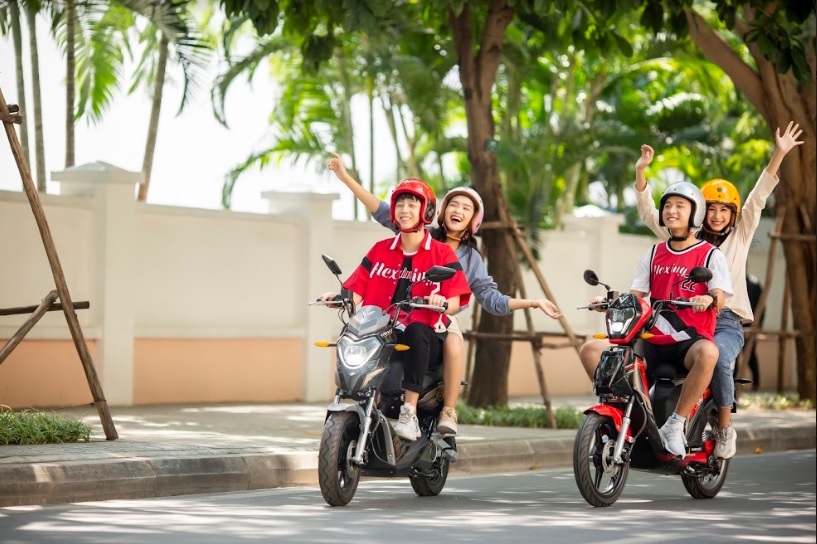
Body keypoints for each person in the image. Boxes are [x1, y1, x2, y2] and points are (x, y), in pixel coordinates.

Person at [328, 153, 563, 435]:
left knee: (452, 343)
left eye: (467, 208)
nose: (458, 210)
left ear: (474, 219)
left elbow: (492, 299)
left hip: (439, 313)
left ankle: (448, 409)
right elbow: (382, 210)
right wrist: (344, 177)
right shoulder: (419, 231)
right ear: (439, 210)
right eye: (454, 203)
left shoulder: (469, 257)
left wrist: (533, 302)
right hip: (395, 313)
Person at [634, 121, 803, 458]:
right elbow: (651, 213)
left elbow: (758, 197)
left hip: (725, 320)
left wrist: (780, 154)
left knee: (720, 358)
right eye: (711, 207)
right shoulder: (685, 238)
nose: (717, 215)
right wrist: (641, 173)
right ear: (699, 210)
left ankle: (725, 427)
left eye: (725, 210)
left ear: (733, 214)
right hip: (681, 320)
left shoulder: (740, 236)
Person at [580, 181, 732, 457]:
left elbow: (719, 295)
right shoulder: (653, 253)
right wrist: (608, 303)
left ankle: (675, 424)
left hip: (689, 341)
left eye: (680, 206)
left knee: (710, 353)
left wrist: (708, 298)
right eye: (668, 206)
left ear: (695, 213)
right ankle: (622, 411)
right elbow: (636, 296)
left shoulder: (710, 254)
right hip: (651, 339)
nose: (671, 211)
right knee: (590, 349)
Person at [321, 178, 471, 441]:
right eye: (400, 204)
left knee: (416, 329)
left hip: (426, 336)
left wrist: (443, 302)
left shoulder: (442, 253)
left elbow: (456, 298)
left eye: (412, 204)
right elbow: (358, 288)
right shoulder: (380, 250)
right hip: (384, 333)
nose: (404, 210)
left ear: (426, 211)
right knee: (352, 333)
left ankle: (409, 412)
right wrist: (339, 298)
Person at [742, 272, 763, 390]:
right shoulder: (734, 280)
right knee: (733, 358)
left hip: (751, 325)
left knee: (750, 354)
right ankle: (733, 385)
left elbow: (761, 307)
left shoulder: (754, 283)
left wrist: (758, 326)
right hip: (736, 324)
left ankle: (756, 383)